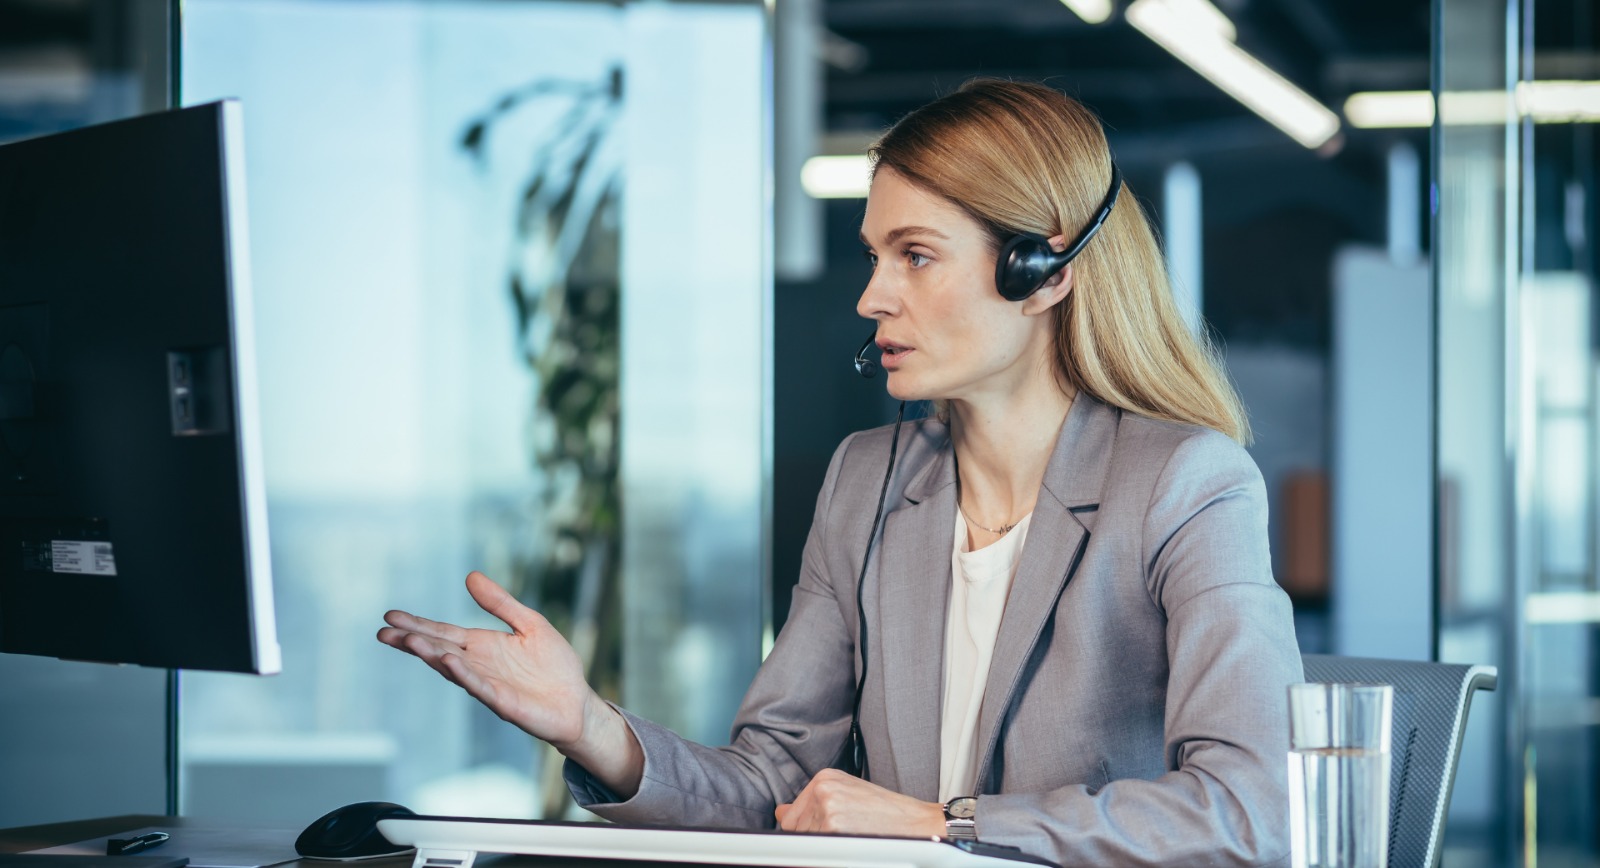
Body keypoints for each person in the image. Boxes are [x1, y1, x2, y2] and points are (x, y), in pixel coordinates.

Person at [378, 78, 1303, 867]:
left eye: (916, 255)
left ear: (1042, 270)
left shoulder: (1187, 484)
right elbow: (773, 788)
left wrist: (942, 828)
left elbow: (1251, 811)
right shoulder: (869, 482)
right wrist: (589, 728)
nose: (871, 296)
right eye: (875, 255)